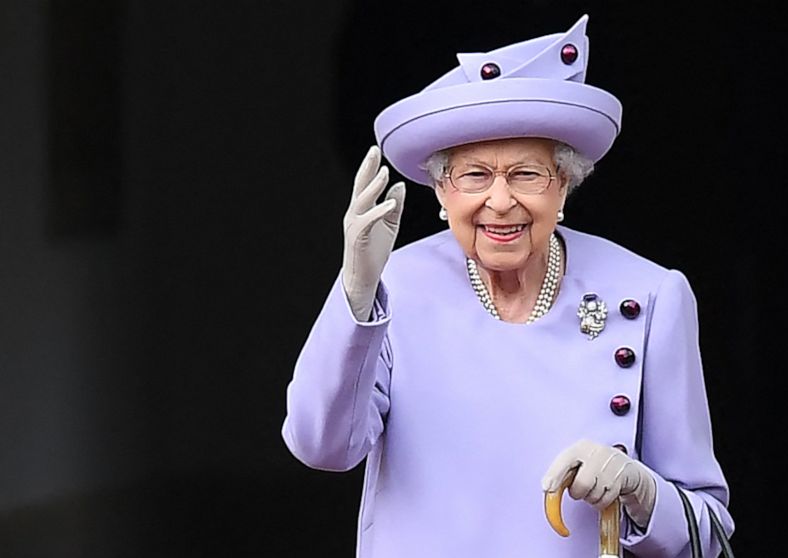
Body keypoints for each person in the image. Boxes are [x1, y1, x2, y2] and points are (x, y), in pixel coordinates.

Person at [282, 15, 733, 558]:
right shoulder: (395, 287)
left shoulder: (651, 294)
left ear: (563, 184)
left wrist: (641, 490)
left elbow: (707, 534)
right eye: (474, 176)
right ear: (441, 193)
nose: (500, 201)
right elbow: (320, 446)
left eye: (526, 174)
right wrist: (355, 290)